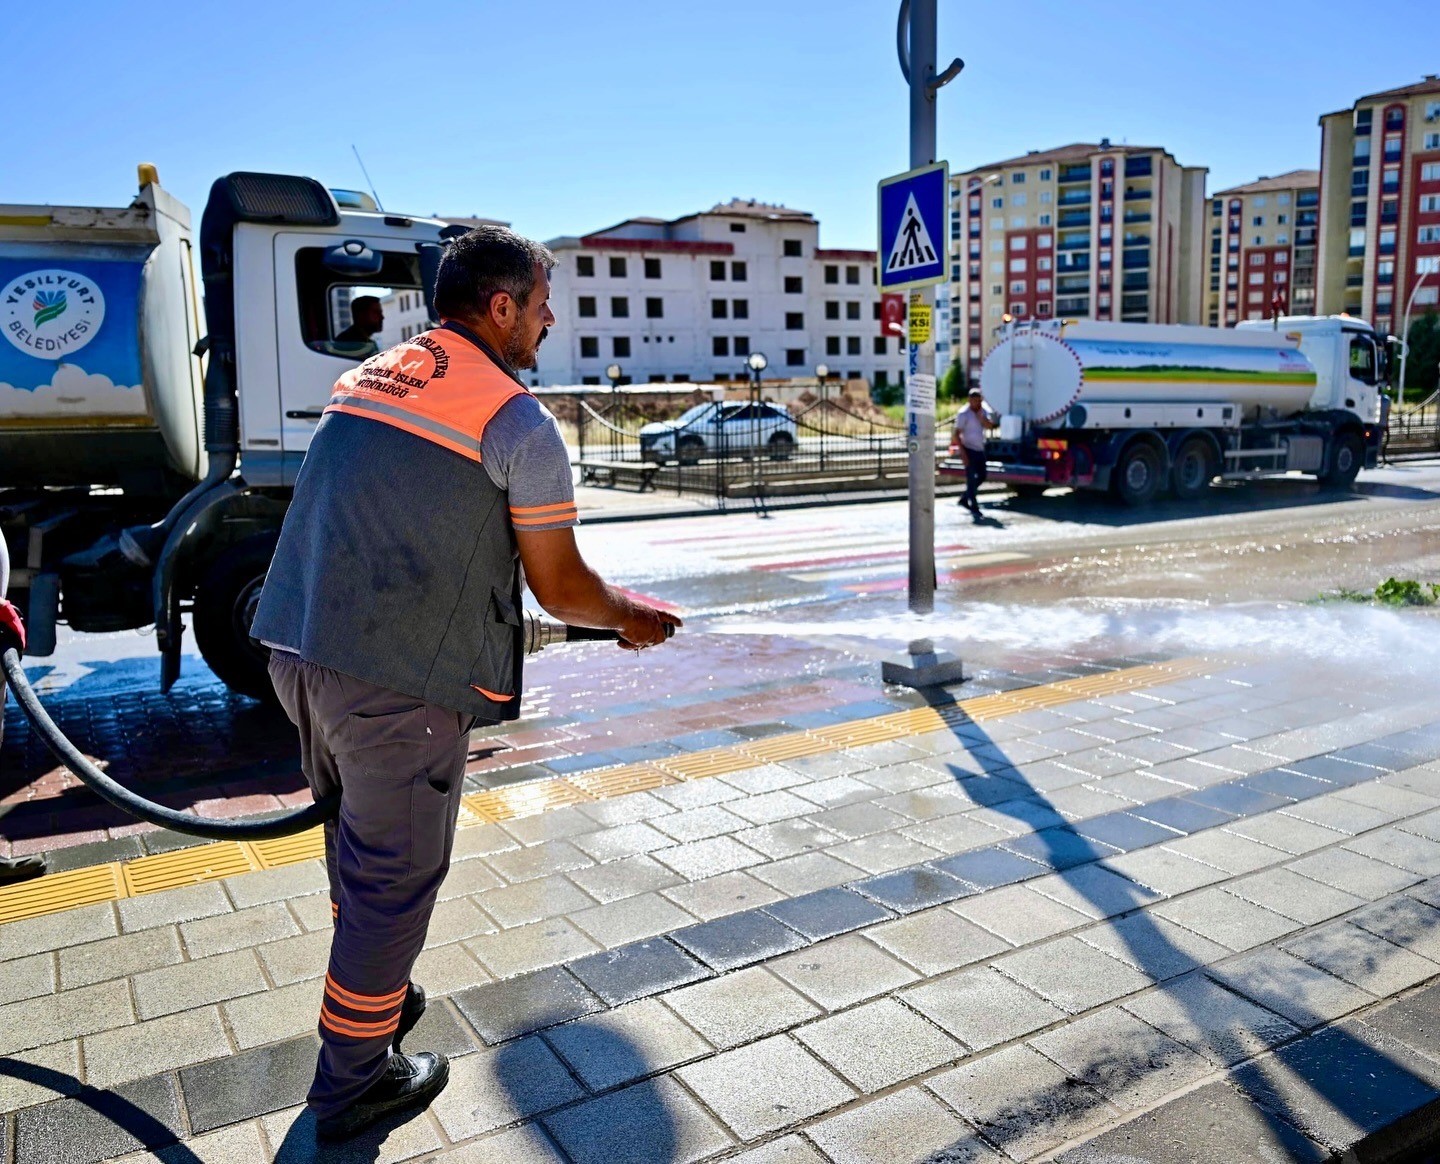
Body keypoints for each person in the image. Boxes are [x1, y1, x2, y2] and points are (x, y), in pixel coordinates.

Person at [249, 226, 680, 1142]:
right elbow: (561, 586)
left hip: (298, 648)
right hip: (396, 686)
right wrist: (628, 616)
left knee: (360, 854)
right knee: (394, 882)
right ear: (500, 308)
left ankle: (382, 994)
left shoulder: (369, 376)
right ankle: (353, 1083)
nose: (549, 317)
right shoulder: (514, 419)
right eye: (541, 301)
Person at [953, 387, 999, 520]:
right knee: (971, 478)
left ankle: (964, 497)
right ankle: (974, 506)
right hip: (968, 448)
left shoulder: (983, 411)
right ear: (969, 400)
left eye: (978, 400)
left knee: (982, 475)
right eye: (973, 400)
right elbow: (956, 434)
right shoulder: (963, 414)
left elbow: (990, 426)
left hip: (979, 448)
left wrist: (981, 418)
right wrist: (963, 453)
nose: (976, 403)